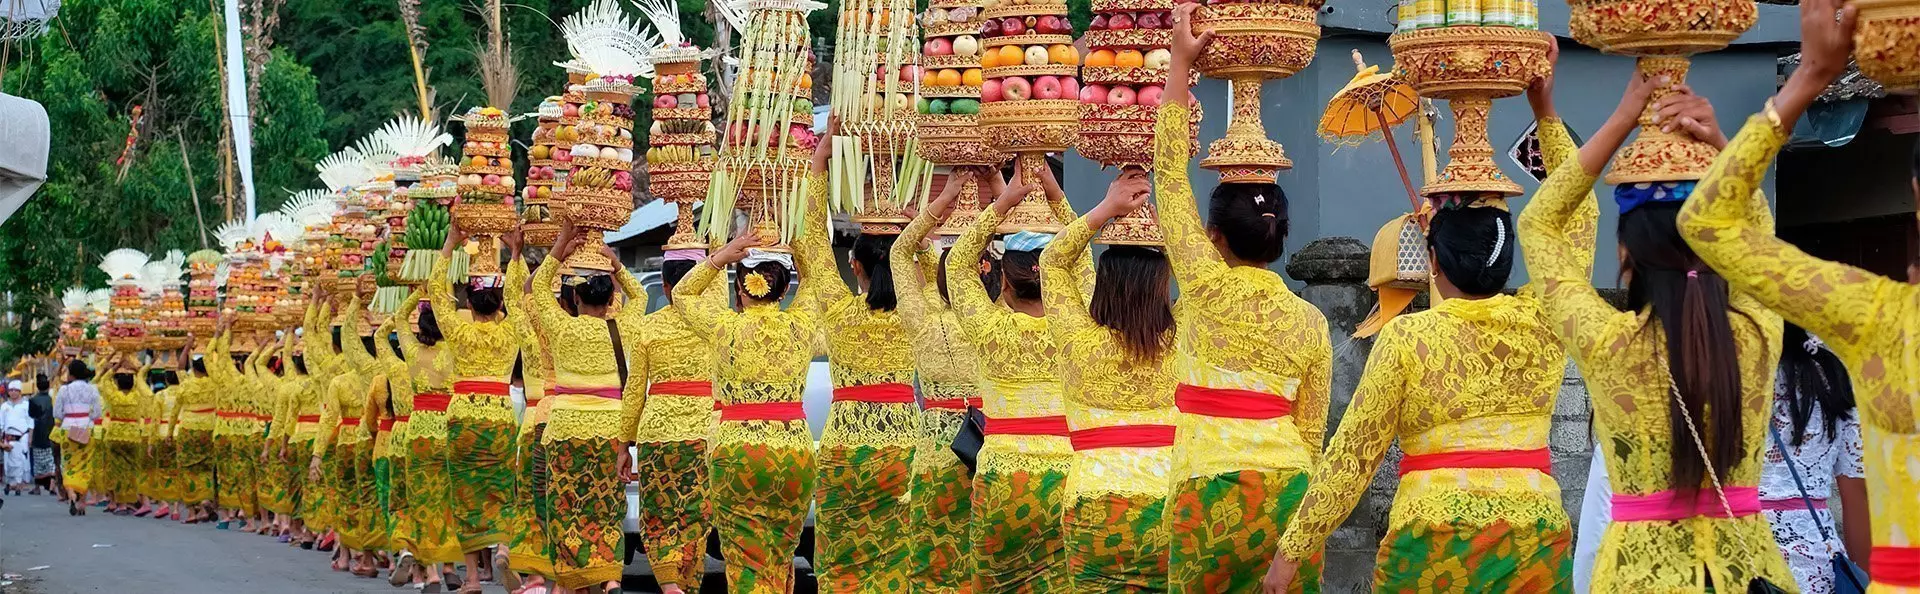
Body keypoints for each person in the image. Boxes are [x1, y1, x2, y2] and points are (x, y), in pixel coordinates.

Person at [1265, 38, 1585, 593]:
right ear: (1508, 255)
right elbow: (1580, 217)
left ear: (1433, 261)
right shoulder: (1545, 321)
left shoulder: (1408, 337)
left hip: (1432, 544)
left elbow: (1351, 460)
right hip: (1532, 542)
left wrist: (1291, 552)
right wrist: (1545, 113)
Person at [1516, 64, 1796, 591]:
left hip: (1638, 577)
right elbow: (1759, 228)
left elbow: (1540, 224)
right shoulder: (1760, 335)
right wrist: (1717, 141)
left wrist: (1624, 118)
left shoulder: (1608, 343)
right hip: (1749, 572)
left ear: (1627, 253)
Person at [1676, 1, 1914, 587]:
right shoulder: (1832, 368)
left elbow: (1709, 224)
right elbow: (1852, 499)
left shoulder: (1876, 319)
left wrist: (1810, 77)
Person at [1154, 8, 1332, 591]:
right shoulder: (1310, 322)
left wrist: (1179, 65)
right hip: (1290, 493)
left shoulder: (1203, 284)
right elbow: (1311, 434)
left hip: (1209, 490)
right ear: (1280, 236)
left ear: (1213, 238)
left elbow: (1170, 179)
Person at [672, 177, 834, 592]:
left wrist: (720, 257)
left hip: (736, 452)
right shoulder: (800, 327)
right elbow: (816, 282)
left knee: (745, 559)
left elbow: (682, 296)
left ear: (740, 290)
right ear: (784, 287)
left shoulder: (723, 327)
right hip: (793, 450)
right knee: (781, 554)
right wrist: (794, 246)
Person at [1039, 167, 1180, 592]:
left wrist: (1105, 210)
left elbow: (1053, 261)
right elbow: (1201, 275)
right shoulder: (1184, 340)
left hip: (1092, 507)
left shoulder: (1080, 344)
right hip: (1169, 505)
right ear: (1164, 284)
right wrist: (1167, 226)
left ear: (1103, 284)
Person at [798, 118, 922, 592]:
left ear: (853, 264)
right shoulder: (919, 312)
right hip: (905, 442)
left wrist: (821, 158)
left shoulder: (837, 307)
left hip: (846, 443)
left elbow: (811, 236)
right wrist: (920, 224)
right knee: (897, 558)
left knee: (843, 561)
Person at [946, 163, 1082, 592]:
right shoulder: (1075, 327)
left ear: (1003, 281)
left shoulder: (990, 329)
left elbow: (958, 267)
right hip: (1065, 478)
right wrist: (1055, 194)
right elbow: (1086, 257)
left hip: (1002, 478)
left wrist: (1001, 204)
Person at [523, 224, 647, 593]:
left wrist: (560, 247)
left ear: (575, 299)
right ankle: (609, 578)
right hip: (610, 428)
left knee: (568, 507)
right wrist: (616, 265)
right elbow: (639, 298)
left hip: (565, 430)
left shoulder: (560, 326)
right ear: (611, 300)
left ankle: (571, 582)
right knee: (607, 506)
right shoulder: (622, 326)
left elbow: (537, 290)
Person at [891, 170, 991, 594]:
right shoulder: (997, 319)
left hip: (937, 454)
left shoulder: (925, 323)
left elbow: (899, 255)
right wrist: (1002, 192)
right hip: (990, 445)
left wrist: (939, 205)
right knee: (985, 566)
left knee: (933, 568)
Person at [427, 222, 529, 593]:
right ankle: (503, 547)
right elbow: (521, 297)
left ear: (468, 304)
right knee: (502, 488)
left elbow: (436, 295)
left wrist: (450, 245)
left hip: (463, 418)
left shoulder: (458, 329)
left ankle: (471, 578)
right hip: (500, 416)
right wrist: (515, 256)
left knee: (466, 493)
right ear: (499, 304)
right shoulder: (510, 330)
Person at [631, 246, 727, 594]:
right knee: (695, 516)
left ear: (665, 286)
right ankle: (684, 583)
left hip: (657, 431)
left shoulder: (647, 326)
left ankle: (670, 584)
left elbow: (634, 390)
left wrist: (624, 441)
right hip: (702, 432)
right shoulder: (716, 321)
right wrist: (715, 247)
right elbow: (716, 287)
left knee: (658, 513)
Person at [1760, 325, 1872, 594]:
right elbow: (1857, 495)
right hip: (1817, 564)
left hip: (1739, 554)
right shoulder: (1832, 372)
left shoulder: (1719, 370)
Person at [389, 287, 462, 592]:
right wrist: (442, 298)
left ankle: (430, 571)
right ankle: (448, 566)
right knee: (449, 500)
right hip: (449, 427)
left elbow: (397, 319)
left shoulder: (412, 351)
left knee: (422, 501)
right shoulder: (455, 348)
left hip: (418, 430)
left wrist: (416, 294)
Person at [171, 345, 219, 523]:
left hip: (188, 429)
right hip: (209, 428)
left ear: (194, 369)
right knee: (206, 468)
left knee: (186, 470)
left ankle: (192, 511)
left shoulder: (185, 383)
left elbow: (179, 368)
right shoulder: (215, 384)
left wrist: (187, 347)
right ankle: (206, 500)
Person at [56, 357, 103, 516]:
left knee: (68, 465)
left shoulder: (64, 390)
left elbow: (57, 413)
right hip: (86, 429)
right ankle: (82, 502)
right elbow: (97, 413)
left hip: (68, 429)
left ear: (71, 374)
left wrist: (69, 417)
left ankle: (71, 493)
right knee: (84, 466)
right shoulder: (93, 389)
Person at [29, 374, 59, 494]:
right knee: (52, 460)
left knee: (38, 462)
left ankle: (37, 487)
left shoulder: (32, 400)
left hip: (38, 432)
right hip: (51, 431)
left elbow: (31, 416)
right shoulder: (53, 399)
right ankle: (53, 484)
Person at [2, 380, 34, 493]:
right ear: (8, 392)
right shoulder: (4, 406)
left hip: (23, 436)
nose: (14, 392)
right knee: (9, 462)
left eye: (16, 390)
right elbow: (1, 424)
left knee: (23, 460)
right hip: (9, 438)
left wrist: (30, 437)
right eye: (11, 390)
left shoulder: (26, 405)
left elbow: (30, 422)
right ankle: (11, 483)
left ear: (20, 391)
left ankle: (21, 482)